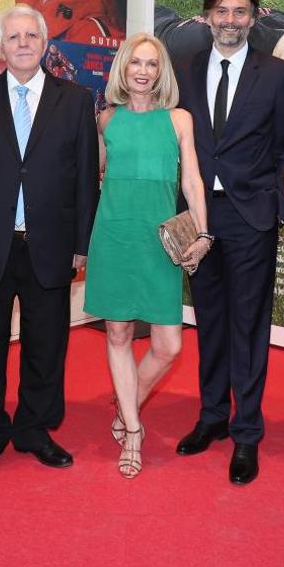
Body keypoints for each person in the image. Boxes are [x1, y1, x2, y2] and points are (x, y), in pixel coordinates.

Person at [0, 4, 99, 479]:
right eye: (12, 37)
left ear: (44, 43)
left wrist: (82, 242)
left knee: (46, 343)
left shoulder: (76, 100)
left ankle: (35, 428)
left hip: (51, 243)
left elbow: (85, 180)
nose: (21, 44)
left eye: (30, 36)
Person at [174, 0, 284, 486]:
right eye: (222, 11)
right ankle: (212, 416)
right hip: (201, 216)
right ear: (207, 16)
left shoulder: (276, 74)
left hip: (252, 217)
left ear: (254, 18)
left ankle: (247, 430)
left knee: (248, 324)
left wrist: (277, 209)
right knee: (208, 319)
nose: (231, 20)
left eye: (240, 12)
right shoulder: (185, 71)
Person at [84, 34, 211, 478]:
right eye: (135, 63)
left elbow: (193, 182)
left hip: (159, 242)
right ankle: (132, 430)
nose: (142, 71)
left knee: (168, 344)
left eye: (151, 64)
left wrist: (203, 232)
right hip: (114, 236)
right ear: (123, 69)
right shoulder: (107, 120)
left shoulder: (179, 120)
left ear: (161, 72)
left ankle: (126, 404)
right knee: (117, 333)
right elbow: (97, 173)